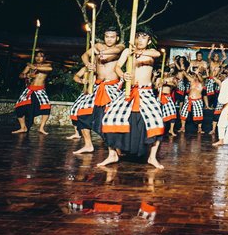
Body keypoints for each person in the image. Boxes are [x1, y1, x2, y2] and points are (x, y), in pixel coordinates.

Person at [99, 27, 165, 169]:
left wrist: (139, 52)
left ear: (148, 40)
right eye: (138, 36)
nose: (140, 40)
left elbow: (157, 53)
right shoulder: (127, 52)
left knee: (157, 121)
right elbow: (117, 67)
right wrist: (123, 75)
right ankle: (112, 154)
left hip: (145, 92)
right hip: (129, 91)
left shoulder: (150, 53)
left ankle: (152, 157)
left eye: (144, 37)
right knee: (109, 117)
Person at [74, 26, 125, 154]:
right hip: (97, 86)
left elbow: (115, 51)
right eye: (107, 36)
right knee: (82, 113)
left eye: (112, 37)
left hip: (112, 87)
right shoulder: (98, 46)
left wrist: (100, 51)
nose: (109, 39)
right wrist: (88, 64)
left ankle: (116, 147)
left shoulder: (121, 47)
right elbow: (84, 55)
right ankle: (88, 145)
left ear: (117, 38)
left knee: (112, 116)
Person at [12, 51, 53, 135]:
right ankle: (23, 127)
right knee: (19, 107)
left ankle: (41, 128)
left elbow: (49, 69)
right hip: (29, 89)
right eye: (37, 56)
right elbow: (21, 75)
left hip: (40, 89)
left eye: (41, 56)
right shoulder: (29, 66)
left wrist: (34, 67)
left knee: (46, 108)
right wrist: (27, 76)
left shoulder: (47, 65)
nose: (38, 58)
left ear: (44, 58)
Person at [178, 66, 205, 133]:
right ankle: (183, 127)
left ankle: (199, 128)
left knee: (199, 115)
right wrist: (182, 68)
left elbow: (201, 79)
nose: (196, 75)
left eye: (199, 73)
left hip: (197, 100)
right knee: (183, 114)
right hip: (189, 99)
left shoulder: (202, 82)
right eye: (195, 73)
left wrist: (197, 73)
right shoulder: (192, 80)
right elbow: (186, 75)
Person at [67, 66, 89, 140]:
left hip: (98, 92)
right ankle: (77, 133)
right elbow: (76, 76)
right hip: (86, 92)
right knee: (74, 110)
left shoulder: (102, 66)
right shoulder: (86, 68)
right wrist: (81, 80)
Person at [156, 62, 178, 137]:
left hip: (168, 97)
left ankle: (171, 130)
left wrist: (166, 83)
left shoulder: (171, 78)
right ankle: (159, 130)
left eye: (167, 72)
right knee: (159, 114)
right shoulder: (159, 79)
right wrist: (159, 84)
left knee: (173, 112)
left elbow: (175, 85)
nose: (165, 73)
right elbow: (156, 87)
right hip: (160, 97)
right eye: (164, 72)